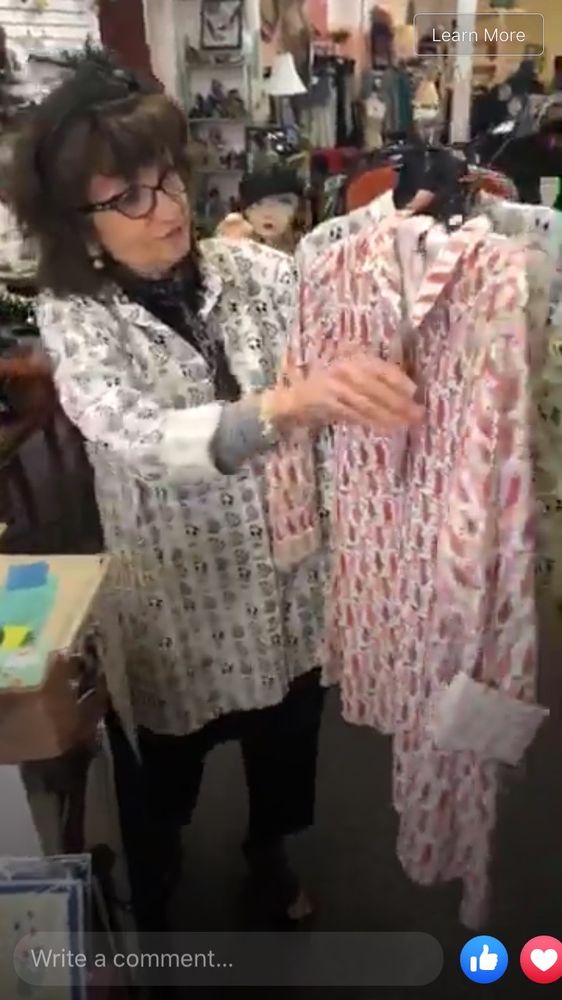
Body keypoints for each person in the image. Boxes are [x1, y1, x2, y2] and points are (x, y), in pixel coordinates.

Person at [8, 50, 422, 930]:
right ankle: (157, 869)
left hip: (287, 572)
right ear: (82, 227)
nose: (167, 208)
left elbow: (345, 290)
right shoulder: (77, 317)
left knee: (287, 744)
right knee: (169, 763)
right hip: (176, 593)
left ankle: (269, 854)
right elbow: (136, 436)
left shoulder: (252, 272)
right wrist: (286, 405)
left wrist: (409, 241)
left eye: (168, 179)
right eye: (130, 197)